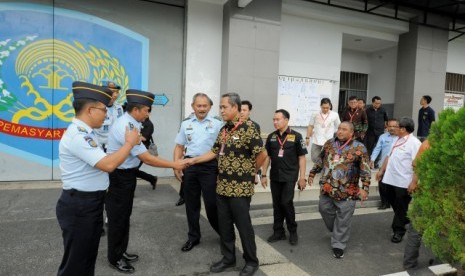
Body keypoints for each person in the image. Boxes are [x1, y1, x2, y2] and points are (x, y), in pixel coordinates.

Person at [56, 81, 140, 276]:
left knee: (86, 259)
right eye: (103, 110)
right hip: (80, 206)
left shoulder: (87, 133)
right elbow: (108, 165)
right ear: (91, 110)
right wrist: (129, 143)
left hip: (89, 203)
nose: (106, 114)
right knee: (75, 264)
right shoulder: (79, 136)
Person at [106, 89, 188, 274]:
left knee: (124, 217)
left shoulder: (133, 123)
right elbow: (147, 158)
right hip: (119, 177)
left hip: (127, 176)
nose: (148, 114)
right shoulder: (126, 127)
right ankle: (115, 258)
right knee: (118, 219)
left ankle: (121, 251)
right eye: (147, 110)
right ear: (137, 109)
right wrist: (175, 163)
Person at [189, 93, 267, 276]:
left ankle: (251, 261)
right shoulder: (224, 129)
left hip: (240, 188)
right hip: (222, 186)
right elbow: (215, 152)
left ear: (235, 107)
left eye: (224, 107)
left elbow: (261, 155)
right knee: (224, 225)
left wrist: (250, 173)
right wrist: (193, 161)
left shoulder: (249, 128)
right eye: (221, 107)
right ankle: (228, 258)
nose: (221, 110)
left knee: (243, 226)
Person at [308, 121, 371, 259]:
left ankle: (338, 244)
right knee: (323, 209)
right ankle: (338, 230)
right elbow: (320, 160)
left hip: (347, 191)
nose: (340, 131)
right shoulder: (329, 143)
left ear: (351, 132)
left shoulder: (359, 147)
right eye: (339, 128)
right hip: (327, 187)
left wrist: (365, 188)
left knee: (343, 219)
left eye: (344, 129)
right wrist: (312, 173)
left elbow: (365, 169)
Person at [173, 93, 223, 252]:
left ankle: (224, 234)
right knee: (191, 205)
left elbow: (222, 148)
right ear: (192, 106)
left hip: (210, 166)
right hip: (190, 166)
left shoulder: (217, 124)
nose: (201, 109)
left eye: (205, 106)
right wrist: (176, 165)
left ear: (210, 107)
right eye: (198, 105)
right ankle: (193, 237)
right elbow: (179, 146)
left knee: (212, 205)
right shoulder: (186, 124)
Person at [261, 109, 307, 246]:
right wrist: (264, 174)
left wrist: (302, 177)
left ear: (286, 120)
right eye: (273, 120)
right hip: (275, 176)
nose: (275, 122)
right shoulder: (271, 137)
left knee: (286, 202)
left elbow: (302, 157)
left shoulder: (297, 136)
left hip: (290, 176)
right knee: (277, 204)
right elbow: (267, 157)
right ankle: (278, 231)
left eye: (278, 119)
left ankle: (292, 231)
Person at [376, 117, 421, 244]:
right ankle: (404, 218)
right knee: (390, 199)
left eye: (397, 126)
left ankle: (398, 231)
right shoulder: (396, 139)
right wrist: (381, 171)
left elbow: (417, 164)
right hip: (389, 178)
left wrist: (414, 182)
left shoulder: (414, 143)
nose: (393, 128)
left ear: (403, 129)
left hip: (403, 181)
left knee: (401, 206)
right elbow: (388, 156)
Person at [403, 139, 430, 269]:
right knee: (445, 231)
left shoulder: (429, 143)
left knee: (416, 229)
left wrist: (414, 182)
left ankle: (409, 263)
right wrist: (414, 182)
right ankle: (443, 264)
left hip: (427, 192)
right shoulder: (429, 143)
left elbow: (416, 165)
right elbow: (417, 166)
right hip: (437, 195)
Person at [370, 119, 399, 209]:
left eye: (394, 126)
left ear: (398, 127)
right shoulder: (383, 137)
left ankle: (394, 203)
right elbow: (377, 148)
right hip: (383, 165)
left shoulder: (401, 138)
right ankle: (384, 203)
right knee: (382, 186)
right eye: (390, 126)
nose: (392, 128)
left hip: (396, 167)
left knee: (394, 186)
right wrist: (372, 159)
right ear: (386, 127)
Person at [306, 98, 340, 163]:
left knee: (328, 158)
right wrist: (307, 137)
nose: (325, 109)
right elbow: (310, 126)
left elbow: (339, 126)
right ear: (320, 106)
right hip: (317, 140)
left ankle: (324, 170)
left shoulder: (334, 114)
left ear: (330, 106)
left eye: (327, 108)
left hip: (329, 140)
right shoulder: (315, 114)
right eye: (323, 107)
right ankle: (320, 166)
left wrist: (339, 138)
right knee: (314, 158)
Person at [94, 80, 124, 152]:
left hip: (115, 147)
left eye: (117, 92)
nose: (115, 95)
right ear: (104, 92)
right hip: (99, 147)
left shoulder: (119, 108)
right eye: (113, 92)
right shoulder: (96, 107)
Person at [136, 107, 158, 189]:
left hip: (143, 149)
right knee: (132, 170)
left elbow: (144, 138)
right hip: (134, 149)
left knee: (133, 170)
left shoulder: (149, 124)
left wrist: (133, 135)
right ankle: (152, 178)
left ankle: (152, 178)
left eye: (147, 112)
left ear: (149, 113)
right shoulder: (137, 121)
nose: (145, 113)